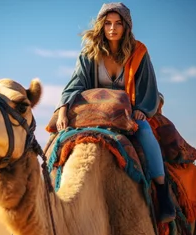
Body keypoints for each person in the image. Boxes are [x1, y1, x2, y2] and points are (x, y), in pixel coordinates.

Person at [55, 2, 175, 223]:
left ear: (126, 26)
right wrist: (63, 110)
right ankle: (54, 188)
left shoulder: (139, 52)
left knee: (146, 133)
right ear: (101, 25)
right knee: (60, 139)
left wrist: (141, 109)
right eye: (108, 23)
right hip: (94, 112)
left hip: (128, 113)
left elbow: (148, 87)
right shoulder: (89, 54)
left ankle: (162, 191)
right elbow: (74, 85)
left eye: (118, 23)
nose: (112, 28)